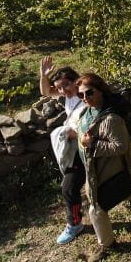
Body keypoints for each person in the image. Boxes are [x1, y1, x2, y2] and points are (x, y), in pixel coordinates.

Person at [76, 73, 131, 262]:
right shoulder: (86, 112)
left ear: (101, 90)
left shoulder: (111, 119)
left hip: (104, 168)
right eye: (81, 95)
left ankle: (107, 245)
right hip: (92, 166)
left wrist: (92, 144)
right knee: (119, 189)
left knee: (96, 207)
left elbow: (120, 146)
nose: (85, 98)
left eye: (89, 93)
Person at [41, 56, 90, 245]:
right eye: (59, 88)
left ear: (76, 81)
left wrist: (73, 133)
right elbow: (46, 92)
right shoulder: (69, 96)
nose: (63, 91)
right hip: (74, 148)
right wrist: (43, 76)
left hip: (83, 150)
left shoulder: (87, 97)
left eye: (66, 85)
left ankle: (74, 224)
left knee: (69, 188)